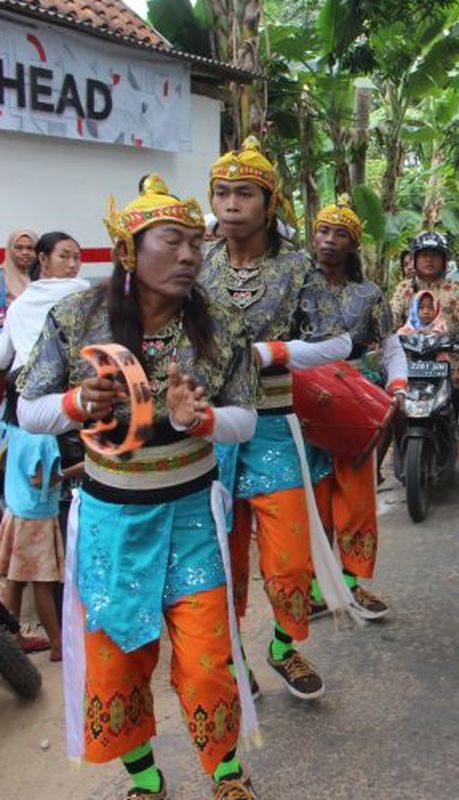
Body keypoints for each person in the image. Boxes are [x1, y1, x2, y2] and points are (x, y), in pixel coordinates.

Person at [17, 175, 261, 799]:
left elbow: (245, 419)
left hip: (190, 514)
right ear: (128, 250)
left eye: (193, 243)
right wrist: (77, 401)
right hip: (110, 518)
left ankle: (227, 776)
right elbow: (28, 410)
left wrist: (196, 420)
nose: (188, 255)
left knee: (207, 663)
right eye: (171, 242)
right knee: (118, 663)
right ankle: (146, 780)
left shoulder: (222, 322)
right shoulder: (76, 316)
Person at [201, 136, 353, 701]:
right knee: (221, 553)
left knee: (289, 561)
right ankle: (233, 651)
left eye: (245, 193)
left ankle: (282, 647)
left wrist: (272, 353)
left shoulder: (298, 267)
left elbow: (338, 340)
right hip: (209, 429)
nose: (232, 203)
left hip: (272, 423)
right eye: (222, 192)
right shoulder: (198, 262)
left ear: (269, 203)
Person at [304, 195, 409, 622]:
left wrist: (398, 386)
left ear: (353, 246)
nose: (329, 241)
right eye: (324, 231)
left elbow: (390, 347)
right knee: (314, 498)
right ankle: (313, 588)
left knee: (358, 499)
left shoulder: (369, 294)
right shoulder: (294, 285)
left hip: (354, 401)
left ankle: (350, 585)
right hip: (306, 399)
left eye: (340, 234)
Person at [0, 231, 90, 660]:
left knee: (50, 519)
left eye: (77, 257)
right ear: (43, 259)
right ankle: (75, 620)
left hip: (30, 415)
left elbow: (4, 358)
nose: (73, 266)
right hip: (69, 416)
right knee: (75, 510)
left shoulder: (20, 305)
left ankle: (58, 623)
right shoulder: (79, 294)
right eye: (65, 257)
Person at [390, 230, 459, 479]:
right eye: (424, 255)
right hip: (410, 365)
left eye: (435, 255)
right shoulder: (404, 289)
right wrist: (382, 336)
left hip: (452, 365)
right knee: (389, 405)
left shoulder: (456, 289)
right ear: (414, 259)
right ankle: (374, 469)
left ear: (444, 259)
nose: (429, 260)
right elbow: (391, 320)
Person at [2, 228, 38, 327]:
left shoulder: (43, 280)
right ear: (10, 250)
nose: (25, 252)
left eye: (30, 248)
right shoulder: (1, 277)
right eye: (19, 248)